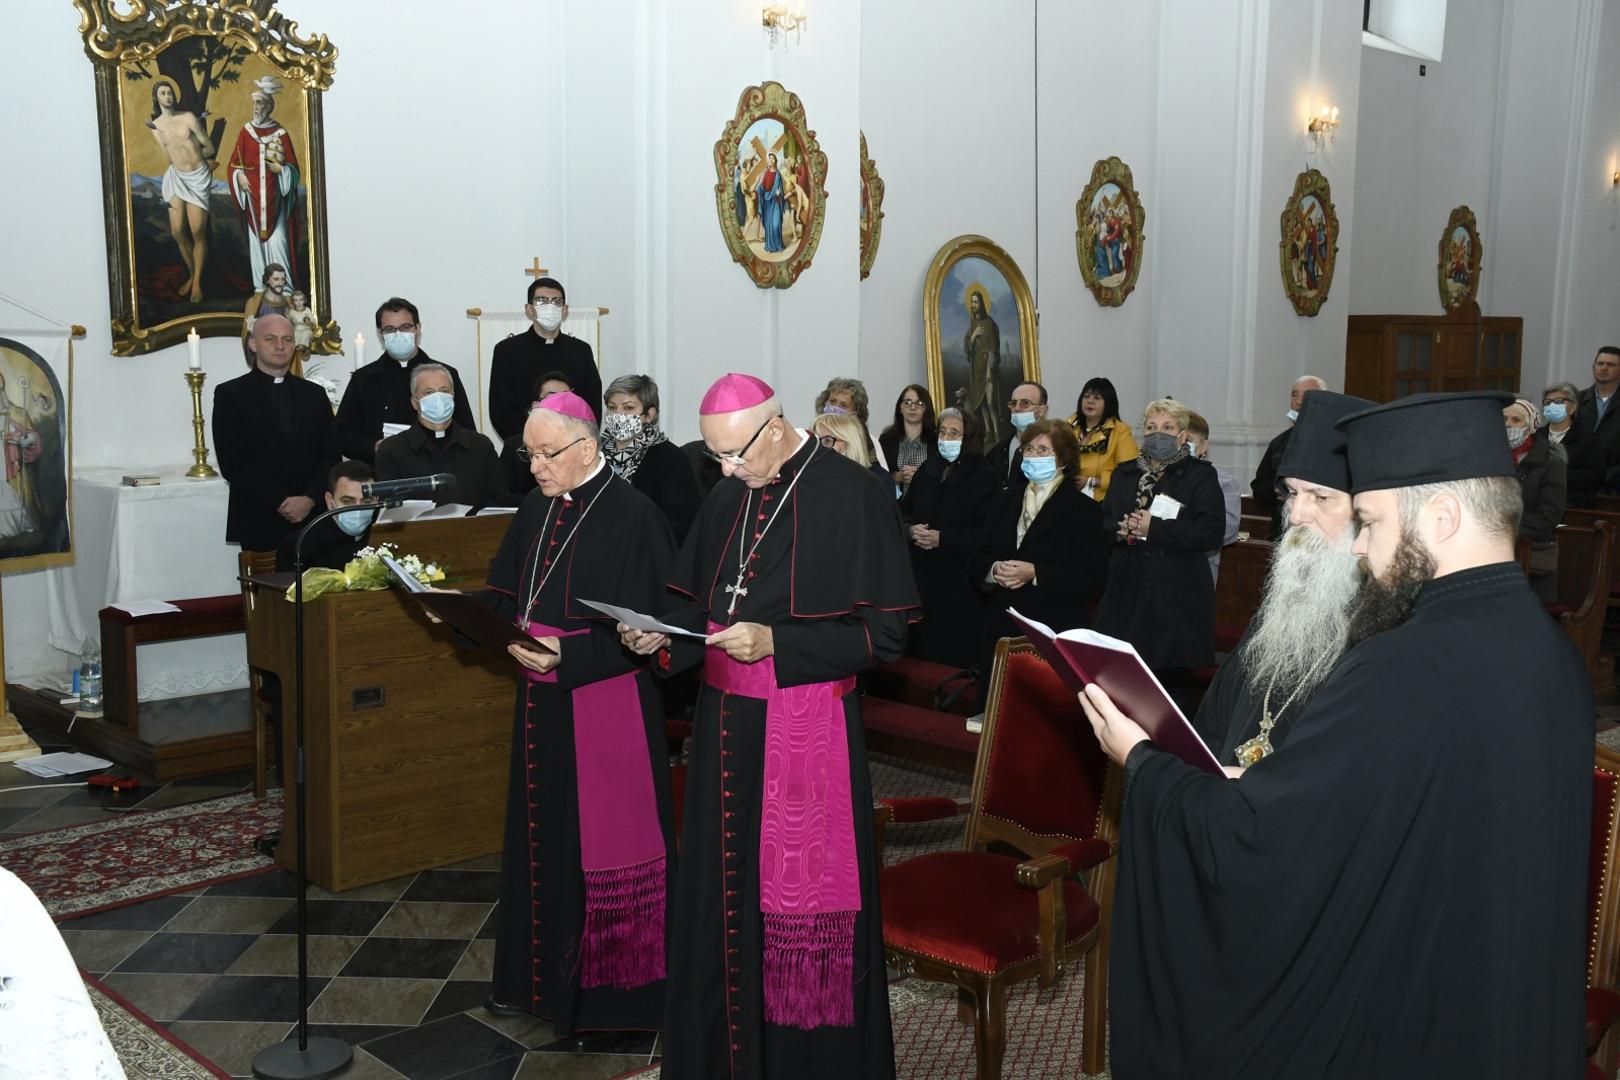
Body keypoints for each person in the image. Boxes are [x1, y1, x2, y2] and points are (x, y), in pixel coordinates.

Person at [1082, 390, 1591, 1077]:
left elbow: (1279, 844)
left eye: (1370, 519)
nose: (1357, 540)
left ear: (1440, 517)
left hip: (1413, 1016)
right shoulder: (1548, 649)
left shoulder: (1404, 661)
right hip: (1502, 1006)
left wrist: (1142, 761)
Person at [619, 374, 918, 1080]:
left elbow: (886, 636)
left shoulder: (853, 493)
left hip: (804, 727)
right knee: (721, 901)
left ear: (776, 426)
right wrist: (663, 639)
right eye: (716, 457)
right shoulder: (729, 492)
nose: (725, 472)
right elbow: (699, 609)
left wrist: (780, 644)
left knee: (791, 908)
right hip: (723, 731)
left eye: (735, 455)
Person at [472, 391, 677, 1036]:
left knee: (601, 846)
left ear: (586, 448)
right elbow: (508, 590)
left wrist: (569, 655)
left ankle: (613, 1004)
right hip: (540, 699)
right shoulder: (536, 506)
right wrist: (460, 613)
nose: (533, 466)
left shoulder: (635, 514)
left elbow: (649, 628)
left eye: (545, 453)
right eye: (527, 452)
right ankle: (531, 982)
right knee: (542, 838)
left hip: (603, 698)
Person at [1189, 390, 1369, 765]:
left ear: (1367, 512)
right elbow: (1215, 722)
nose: (1297, 514)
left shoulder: (1384, 629)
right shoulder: (1286, 605)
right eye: (1291, 493)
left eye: (1320, 497)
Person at [1094, 399, 1226, 690]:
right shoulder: (1125, 473)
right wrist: (1121, 528)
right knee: (1119, 684)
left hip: (1174, 598)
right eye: (1152, 427)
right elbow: (1102, 524)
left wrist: (1153, 527)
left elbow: (1211, 532)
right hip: (1125, 593)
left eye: (1168, 428)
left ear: (1182, 436)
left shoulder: (1200, 475)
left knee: (1167, 690)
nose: (1158, 434)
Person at [971, 419, 1110, 684]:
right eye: (1029, 449)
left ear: (1064, 459)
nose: (1033, 456)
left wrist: (1035, 573)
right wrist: (993, 570)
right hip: (1002, 625)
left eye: (1043, 450)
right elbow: (978, 556)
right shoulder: (1005, 499)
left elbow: (1093, 580)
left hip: (1052, 626)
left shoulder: (1083, 510)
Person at [213, 313, 338, 553]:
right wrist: (279, 501)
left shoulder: (314, 395)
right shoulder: (231, 395)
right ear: (253, 344)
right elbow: (233, 462)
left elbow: (331, 454)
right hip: (259, 516)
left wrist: (309, 498)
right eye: (270, 339)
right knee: (267, 589)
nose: (280, 346)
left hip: (312, 516)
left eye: (287, 339)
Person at [900, 408, 998, 668]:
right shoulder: (928, 468)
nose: (946, 438)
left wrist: (943, 538)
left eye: (954, 433)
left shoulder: (985, 476)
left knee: (951, 653)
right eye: (942, 432)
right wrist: (911, 530)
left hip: (959, 580)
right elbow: (903, 511)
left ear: (969, 437)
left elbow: (986, 533)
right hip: (921, 575)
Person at [334, 297, 476, 463]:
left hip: (437, 466)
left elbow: (466, 431)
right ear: (381, 334)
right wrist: (375, 446)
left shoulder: (445, 375)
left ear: (417, 328)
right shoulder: (364, 379)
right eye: (390, 329)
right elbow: (342, 434)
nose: (398, 334)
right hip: (381, 471)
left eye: (405, 327)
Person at [374, 363, 512, 510]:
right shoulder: (392, 450)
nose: (438, 398)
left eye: (444, 391)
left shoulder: (480, 446)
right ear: (414, 403)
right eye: (429, 392)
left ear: (453, 398)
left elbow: (499, 500)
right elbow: (389, 509)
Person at [490, 277, 601, 440]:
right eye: (541, 301)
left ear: (564, 310)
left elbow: (591, 406)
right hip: (525, 447)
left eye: (556, 301)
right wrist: (533, 445)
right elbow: (501, 411)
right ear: (529, 309)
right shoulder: (507, 351)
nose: (550, 306)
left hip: (572, 447)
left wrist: (572, 442)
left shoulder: (581, 351)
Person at [602, 374, 702, 542]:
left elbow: (680, 523)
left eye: (628, 408)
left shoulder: (671, 459)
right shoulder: (593, 453)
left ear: (649, 414)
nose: (617, 415)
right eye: (612, 407)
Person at [228, 77, 300, 292]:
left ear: (269, 106)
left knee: (278, 244)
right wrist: (238, 175)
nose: (256, 108)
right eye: (255, 103)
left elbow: (294, 170)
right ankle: (261, 289)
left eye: (260, 103)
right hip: (252, 201)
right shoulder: (246, 131)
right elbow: (234, 163)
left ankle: (284, 289)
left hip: (274, 202)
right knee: (257, 247)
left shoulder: (281, 134)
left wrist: (282, 171)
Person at [146, 78, 215, 305]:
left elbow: (209, 146)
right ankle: (193, 273)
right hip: (175, 177)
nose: (168, 96)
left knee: (197, 231)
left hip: (197, 176)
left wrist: (201, 160)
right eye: (163, 93)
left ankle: (196, 283)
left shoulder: (187, 118)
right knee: (177, 232)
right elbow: (168, 156)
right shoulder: (156, 126)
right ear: (156, 98)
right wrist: (178, 163)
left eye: (170, 92)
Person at [1251, 375, 1328, 540]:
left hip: (1320, 531)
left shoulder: (1333, 442)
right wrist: (1276, 488)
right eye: (1294, 395)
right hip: (1282, 530)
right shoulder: (1279, 443)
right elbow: (1258, 487)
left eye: (1306, 396)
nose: (1298, 402)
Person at [1506, 396, 1566, 602]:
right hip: (1495, 555)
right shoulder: (1493, 457)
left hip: (1532, 556)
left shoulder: (1550, 461)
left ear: (1531, 425)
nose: (1508, 425)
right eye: (1504, 420)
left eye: (1516, 420)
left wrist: (1505, 536)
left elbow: (1549, 514)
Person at [275, 460, 377, 572]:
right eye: (348, 501)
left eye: (367, 501)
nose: (358, 509)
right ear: (329, 500)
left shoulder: (388, 538)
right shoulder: (297, 546)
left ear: (376, 500)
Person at [500, 372, 576, 499]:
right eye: (551, 397)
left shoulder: (579, 443)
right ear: (536, 405)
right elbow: (503, 497)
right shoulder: (514, 446)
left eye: (565, 397)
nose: (559, 403)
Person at [1185, 410, 1241, 582]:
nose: (1179, 446)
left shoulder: (1223, 482)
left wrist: (1175, 531)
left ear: (1203, 446)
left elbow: (1227, 529)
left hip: (1200, 566)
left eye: (1187, 441)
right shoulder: (1158, 478)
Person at [1069, 376, 1138, 501]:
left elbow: (1128, 476)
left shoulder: (1120, 431)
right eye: (1086, 396)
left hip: (1102, 500)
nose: (1090, 401)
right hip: (1069, 496)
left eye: (1097, 398)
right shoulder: (1069, 426)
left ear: (1109, 403)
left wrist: (1092, 481)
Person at [1542, 381, 1604, 508]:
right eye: (1547, 402)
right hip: (1538, 502)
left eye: (1558, 401)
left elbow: (1596, 477)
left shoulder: (1587, 438)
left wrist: (1558, 474)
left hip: (1571, 504)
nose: (1551, 406)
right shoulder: (1537, 436)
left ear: (1573, 407)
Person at [985, 380, 1047, 486]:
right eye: (1013, 403)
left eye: (1025, 403)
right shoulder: (997, 451)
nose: (1017, 408)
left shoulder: (1052, 450)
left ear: (1042, 410)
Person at [962, 289, 1004, 448]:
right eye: (972, 302)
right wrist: (973, 336)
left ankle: (998, 434)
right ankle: (988, 432)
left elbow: (993, 350)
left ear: (982, 303)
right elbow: (967, 347)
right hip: (976, 371)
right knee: (982, 404)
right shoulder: (972, 324)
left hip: (987, 370)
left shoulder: (990, 324)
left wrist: (989, 371)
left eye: (976, 302)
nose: (973, 305)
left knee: (991, 401)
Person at [815, 377, 885, 469]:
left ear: (856, 412)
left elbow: (881, 477)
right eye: (832, 401)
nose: (835, 408)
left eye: (843, 405)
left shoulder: (870, 441)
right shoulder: (813, 435)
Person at [878, 384, 935, 496]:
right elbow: (877, 476)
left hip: (928, 506)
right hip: (895, 507)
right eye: (907, 403)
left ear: (926, 408)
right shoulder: (886, 440)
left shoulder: (937, 440)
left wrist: (920, 477)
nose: (913, 407)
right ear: (900, 408)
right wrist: (897, 477)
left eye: (919, 403)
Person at [813, 412, 891, 489]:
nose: (818, 446)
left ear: (850, 443)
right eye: (814, 440)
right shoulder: (810, 476)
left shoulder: (878, 478)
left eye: (827, 441)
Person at [1579, 345, 1620, 472]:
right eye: (1600, 363)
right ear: (1593, 368)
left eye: (1611, 365)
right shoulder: (1576, 399)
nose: (1604, 368)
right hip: (1579, 477)